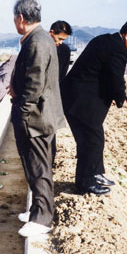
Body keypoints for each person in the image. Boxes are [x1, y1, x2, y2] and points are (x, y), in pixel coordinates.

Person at [61, 18, 127, 196]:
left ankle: (95, 173)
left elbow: (104, 73)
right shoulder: (118, 50)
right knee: (92, 140)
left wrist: (118, 94)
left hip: (74, 96)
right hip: (81, 101)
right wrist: (120, 99)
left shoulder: (105, 40)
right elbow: (115, 77)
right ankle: (85, 183)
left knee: (93, 138)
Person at [8, 0, 65, 239]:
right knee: (34, 165)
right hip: (36, 114)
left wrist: (22, 111)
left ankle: (42, 219)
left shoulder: (37, 42)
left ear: (20, 18)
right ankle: (36, 210)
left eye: (14, 17)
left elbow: (35, 83)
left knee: (39, 166)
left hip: (36, 117)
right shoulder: (39, 38)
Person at [48, 20, 73, 165]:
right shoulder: (42, 46)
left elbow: (61, 76)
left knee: (52, 132)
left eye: (64, 40)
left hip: (54, 96)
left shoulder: (64, 51)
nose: (60, 42)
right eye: (59, 39)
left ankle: (50, 163)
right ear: (51, 33)